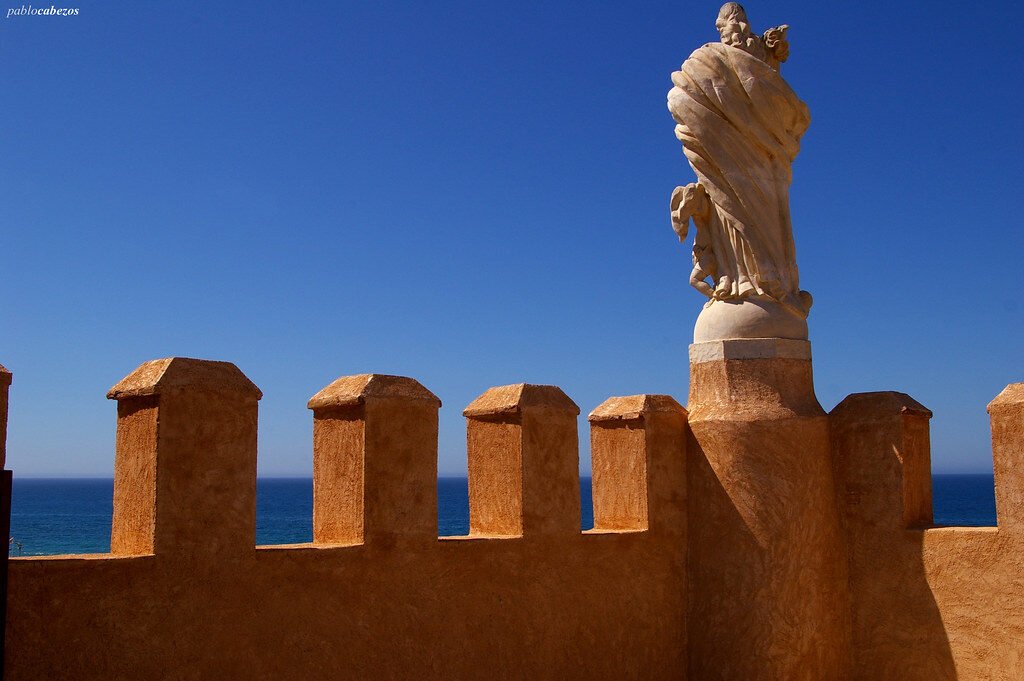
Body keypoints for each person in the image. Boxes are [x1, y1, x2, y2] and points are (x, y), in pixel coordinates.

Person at [668, 3, 812, 316]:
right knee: (727, 207)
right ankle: (736, 281)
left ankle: (768, 284)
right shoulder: (708, 59)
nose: (728, 32)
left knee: (763, 216)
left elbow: (764, 97)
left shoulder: (753, 56)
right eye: (722, 28)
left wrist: (772, 57)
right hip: (724, 162)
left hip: (762, 161)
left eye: (727, 26)